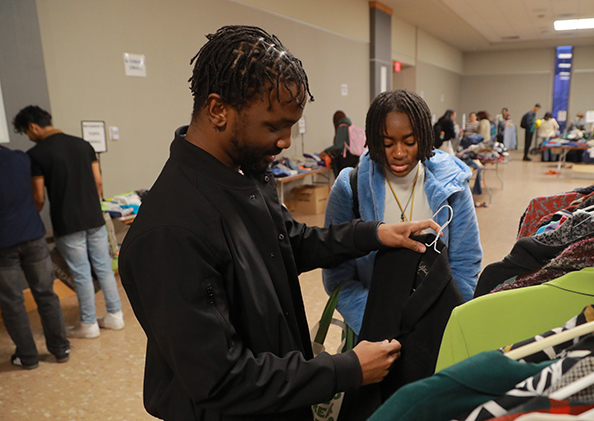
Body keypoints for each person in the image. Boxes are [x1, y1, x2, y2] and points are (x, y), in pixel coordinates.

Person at [118, 26, 441, 421]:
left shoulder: (244, 175)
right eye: (274, 127)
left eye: (291, 125)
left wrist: (372, 234)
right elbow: (221, 379)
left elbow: (289, 241)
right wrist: (347, 368)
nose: (286, 141)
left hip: (282, 396)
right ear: (218, 110)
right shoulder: (171, 231)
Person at [323, 89, 482, 335]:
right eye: (387, 143)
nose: (399, 153)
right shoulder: (350, 188)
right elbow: (337, 275)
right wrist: (378, 323)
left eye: (409, 142)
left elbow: (465, 262)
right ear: (374, 141)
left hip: (437, 330)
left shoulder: (453, 187)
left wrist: (448, 321)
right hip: (373, 333)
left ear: (425, 138)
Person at [12, 105, 124, 339]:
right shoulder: (84, 145)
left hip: (67, 221)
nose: (30, 137)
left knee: (81, 273)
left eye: (27, 132)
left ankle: (89, 324)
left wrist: (33, 215)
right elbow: (98, 183)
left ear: (33, 127)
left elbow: (39, 197)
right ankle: (115, 316)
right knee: (104, 267)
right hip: (94, 217)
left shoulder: (36, 154)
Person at [0, 146, 70, 369]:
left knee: (12, 303)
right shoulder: (20, 158)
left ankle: (28, 357)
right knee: (47, 294)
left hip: (3, 244)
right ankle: (61, 349)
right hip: (34, 236)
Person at [324, 110, 360, 176]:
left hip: (346, 159)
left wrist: (325, 151)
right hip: (355, 158)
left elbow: (338, 145)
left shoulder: (342, 127)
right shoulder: (350, 126)